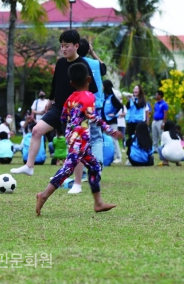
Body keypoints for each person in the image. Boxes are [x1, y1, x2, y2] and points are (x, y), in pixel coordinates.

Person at [35, 63, 121, 216]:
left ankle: (98, 203)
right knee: (68, 168)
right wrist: (110, 130)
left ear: (72, 83)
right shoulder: (90, 97)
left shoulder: (70, 98)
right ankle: (43, 195)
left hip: (73, 136)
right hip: (80, 138)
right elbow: (93, 117)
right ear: (89, 79)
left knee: (94, 167)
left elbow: (63, 117)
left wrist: (67, 132)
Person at [12, 29, 99, 177]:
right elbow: (55, 83)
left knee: (75, 145)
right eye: (62, 45)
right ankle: (29, 166)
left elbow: (92, 90)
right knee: (36, 130)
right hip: (58, 108)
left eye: (67, 45)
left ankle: (77, 182)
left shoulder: (83, 65)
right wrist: (50, 100)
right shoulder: (60, 63)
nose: (64, 49)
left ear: (76, 46)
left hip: (76, 111)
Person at [70, 38, 106, 194]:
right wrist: (93, 52)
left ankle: (82, 171)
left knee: (81, 138)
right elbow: (104, 68)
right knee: (97, 138)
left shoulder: (76, 63)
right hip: (97, 103)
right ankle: (96, 168)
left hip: (81, 103)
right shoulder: (96, 64)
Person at [101, 80, 124, 163]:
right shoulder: (103, 96)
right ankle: (110, 156)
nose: (101, 87)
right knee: (106, 140)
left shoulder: (112, 97)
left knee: (114, 139)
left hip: (112, 122)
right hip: (104, 122)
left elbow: (120, 106)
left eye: (102, 85)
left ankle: (119, 157)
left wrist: (114, 114)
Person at [124, 84, 148, 157]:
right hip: (131, 121)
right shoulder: (131, 99)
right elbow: (128, 107)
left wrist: (133, 99)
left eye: (137, 89)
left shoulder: (142, 99)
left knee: (137, 137)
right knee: (130, 137)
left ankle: (139, 153)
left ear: (140, 90)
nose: (135, 90)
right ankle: (129, 154)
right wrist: (128, 100)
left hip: (138, 122)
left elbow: (138, 107)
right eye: (134, 89)